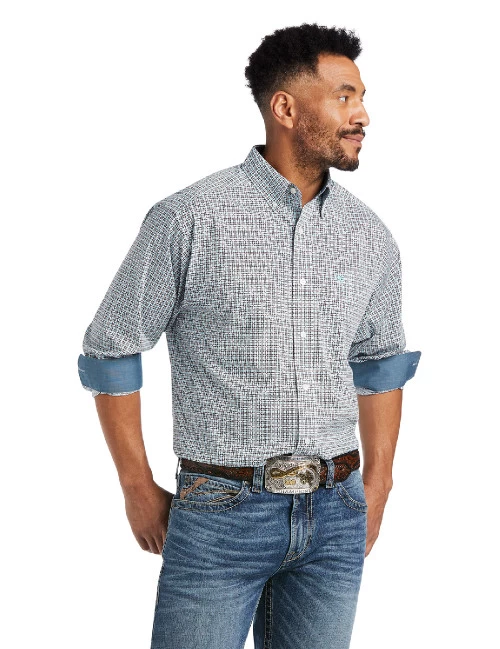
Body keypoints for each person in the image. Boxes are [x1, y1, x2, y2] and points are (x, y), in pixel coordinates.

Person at [77, 22, 421, 649]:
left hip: (337, 514)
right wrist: (135, 486)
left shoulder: (369, 235)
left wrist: (379, 484)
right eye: (343, 96)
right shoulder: (188, 219)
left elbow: (380, 363)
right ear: (285, 109)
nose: (363, 115)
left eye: (362, 97)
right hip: (220, 516)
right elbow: (111, 350)